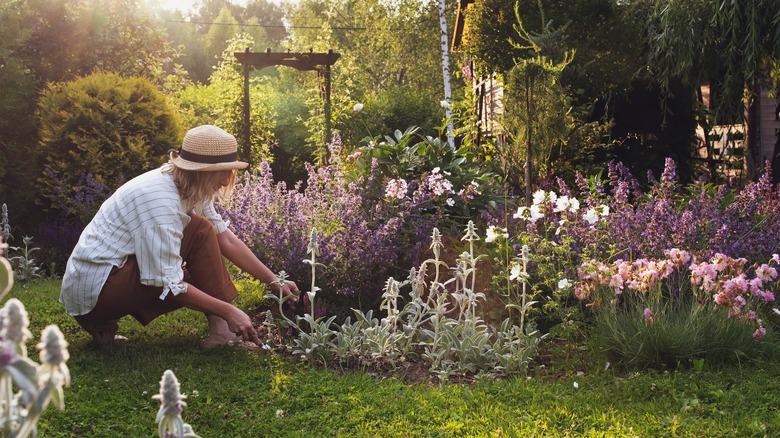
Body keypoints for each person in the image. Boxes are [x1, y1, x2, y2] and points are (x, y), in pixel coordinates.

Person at [60, 125, 298, 347]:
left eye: (229, 171)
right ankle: (100, 318)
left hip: (106, 281)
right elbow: (168, 281)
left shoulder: (189, 185)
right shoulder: (160, 201)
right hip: (98, 292)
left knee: (202, 232)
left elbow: (225, 239)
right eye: (221, 172)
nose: (226, 180)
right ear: (200, 171)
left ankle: (218, 329)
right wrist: (228, 311)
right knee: (195, 242)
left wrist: (274, 280)